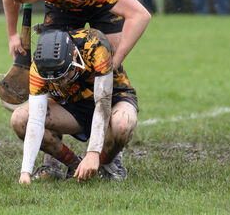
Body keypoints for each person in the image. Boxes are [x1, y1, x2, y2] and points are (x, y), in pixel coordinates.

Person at [2, 0, 150, 176]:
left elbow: (140, 15)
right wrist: (12, 34)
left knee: (106, 50)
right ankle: (55, 159)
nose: (17, 3)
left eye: (22, 0)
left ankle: (110, 156)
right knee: (52, 58)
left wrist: (114, 62)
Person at [11, 28, 138, 183]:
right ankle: (74, 164)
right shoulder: (39, 66)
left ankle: (105, 163)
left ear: (75, 56)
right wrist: (25, 171)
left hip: (112, 99)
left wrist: (93, 153)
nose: (61, 83)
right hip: (73, 105)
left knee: (122, 124)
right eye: (55, 80)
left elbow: (102, 102)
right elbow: (36, 119)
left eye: (64, 76)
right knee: (20, 119)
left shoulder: (95, 45)